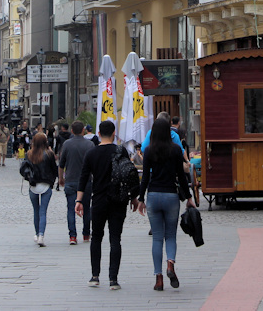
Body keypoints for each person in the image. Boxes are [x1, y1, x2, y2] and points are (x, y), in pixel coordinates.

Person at [77, 119, 137, 290]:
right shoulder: (121, 151)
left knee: (96, 236)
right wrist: (133, 198)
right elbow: (129, 175)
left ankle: (95, 276)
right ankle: (113, 279)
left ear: (98, 134)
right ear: (113, 133)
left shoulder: (91, 153)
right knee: (115, 239)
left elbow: (84, 178)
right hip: (118, 199)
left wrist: (79, 200)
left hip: (98, 200)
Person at [135, 118, 194, 291]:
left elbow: (145, 177)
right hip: (171, 196)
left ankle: (158, 278)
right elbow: (181, 177)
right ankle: (170, 264)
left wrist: (141, 199)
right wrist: (189, 197)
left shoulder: (148, 150)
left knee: (157, 238)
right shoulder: (176, 150)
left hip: (153, 195)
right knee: (171, 235)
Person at [60, 120, 97, 245]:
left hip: (70, 180)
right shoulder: (90, 145)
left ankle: (72, 236)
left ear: (72, 131)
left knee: (71, 208)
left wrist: (60, 178)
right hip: (86, 182)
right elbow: (94, 165)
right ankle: (86, 234)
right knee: (86, 207)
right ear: (83, 131)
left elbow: (61, 164)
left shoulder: (66, 144)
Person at [27, 132, 58, 247]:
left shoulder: (29, 154)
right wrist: (53, 181)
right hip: (46, 184)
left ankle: (36, 233)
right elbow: (54, 169)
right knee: (43, 211)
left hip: (33, 185)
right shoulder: (49, 154)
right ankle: (41, 235)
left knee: (36, 210)